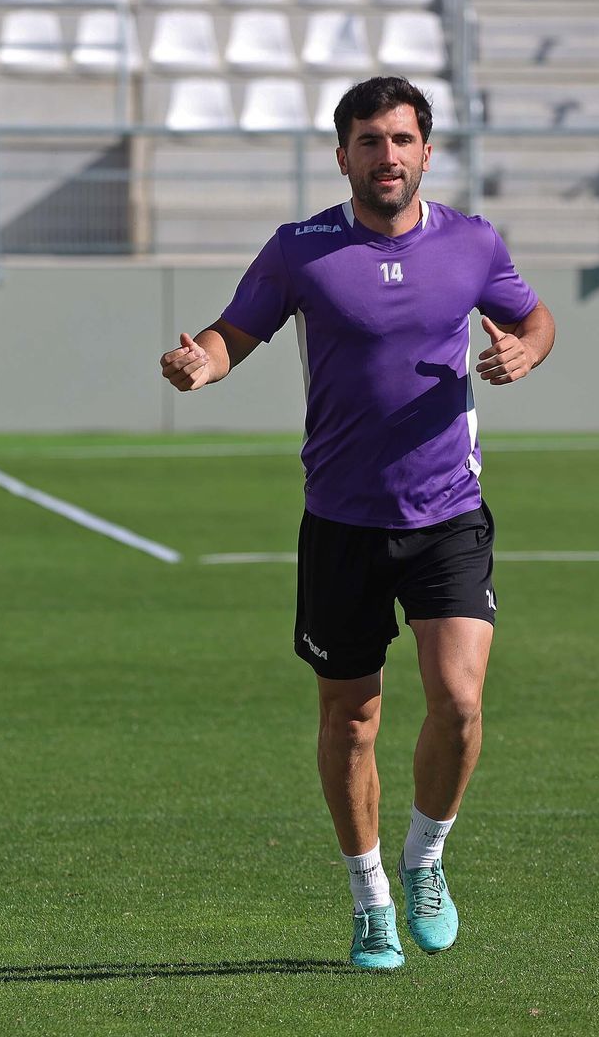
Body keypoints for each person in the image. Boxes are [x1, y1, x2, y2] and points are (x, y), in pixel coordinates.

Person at [159, 76, 555, 971]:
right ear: (342, 156)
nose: (388, 156)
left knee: (460, 701)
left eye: (402, 140)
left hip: (448, 512)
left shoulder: (473, 243)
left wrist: (525, 350)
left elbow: (534, 319)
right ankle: (371, 897)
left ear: (427, 152)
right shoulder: (300, 250)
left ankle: (425, 860)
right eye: (370, 141)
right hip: (341, 521)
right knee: (351, 719)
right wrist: (201, 365)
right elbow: (232, 333)